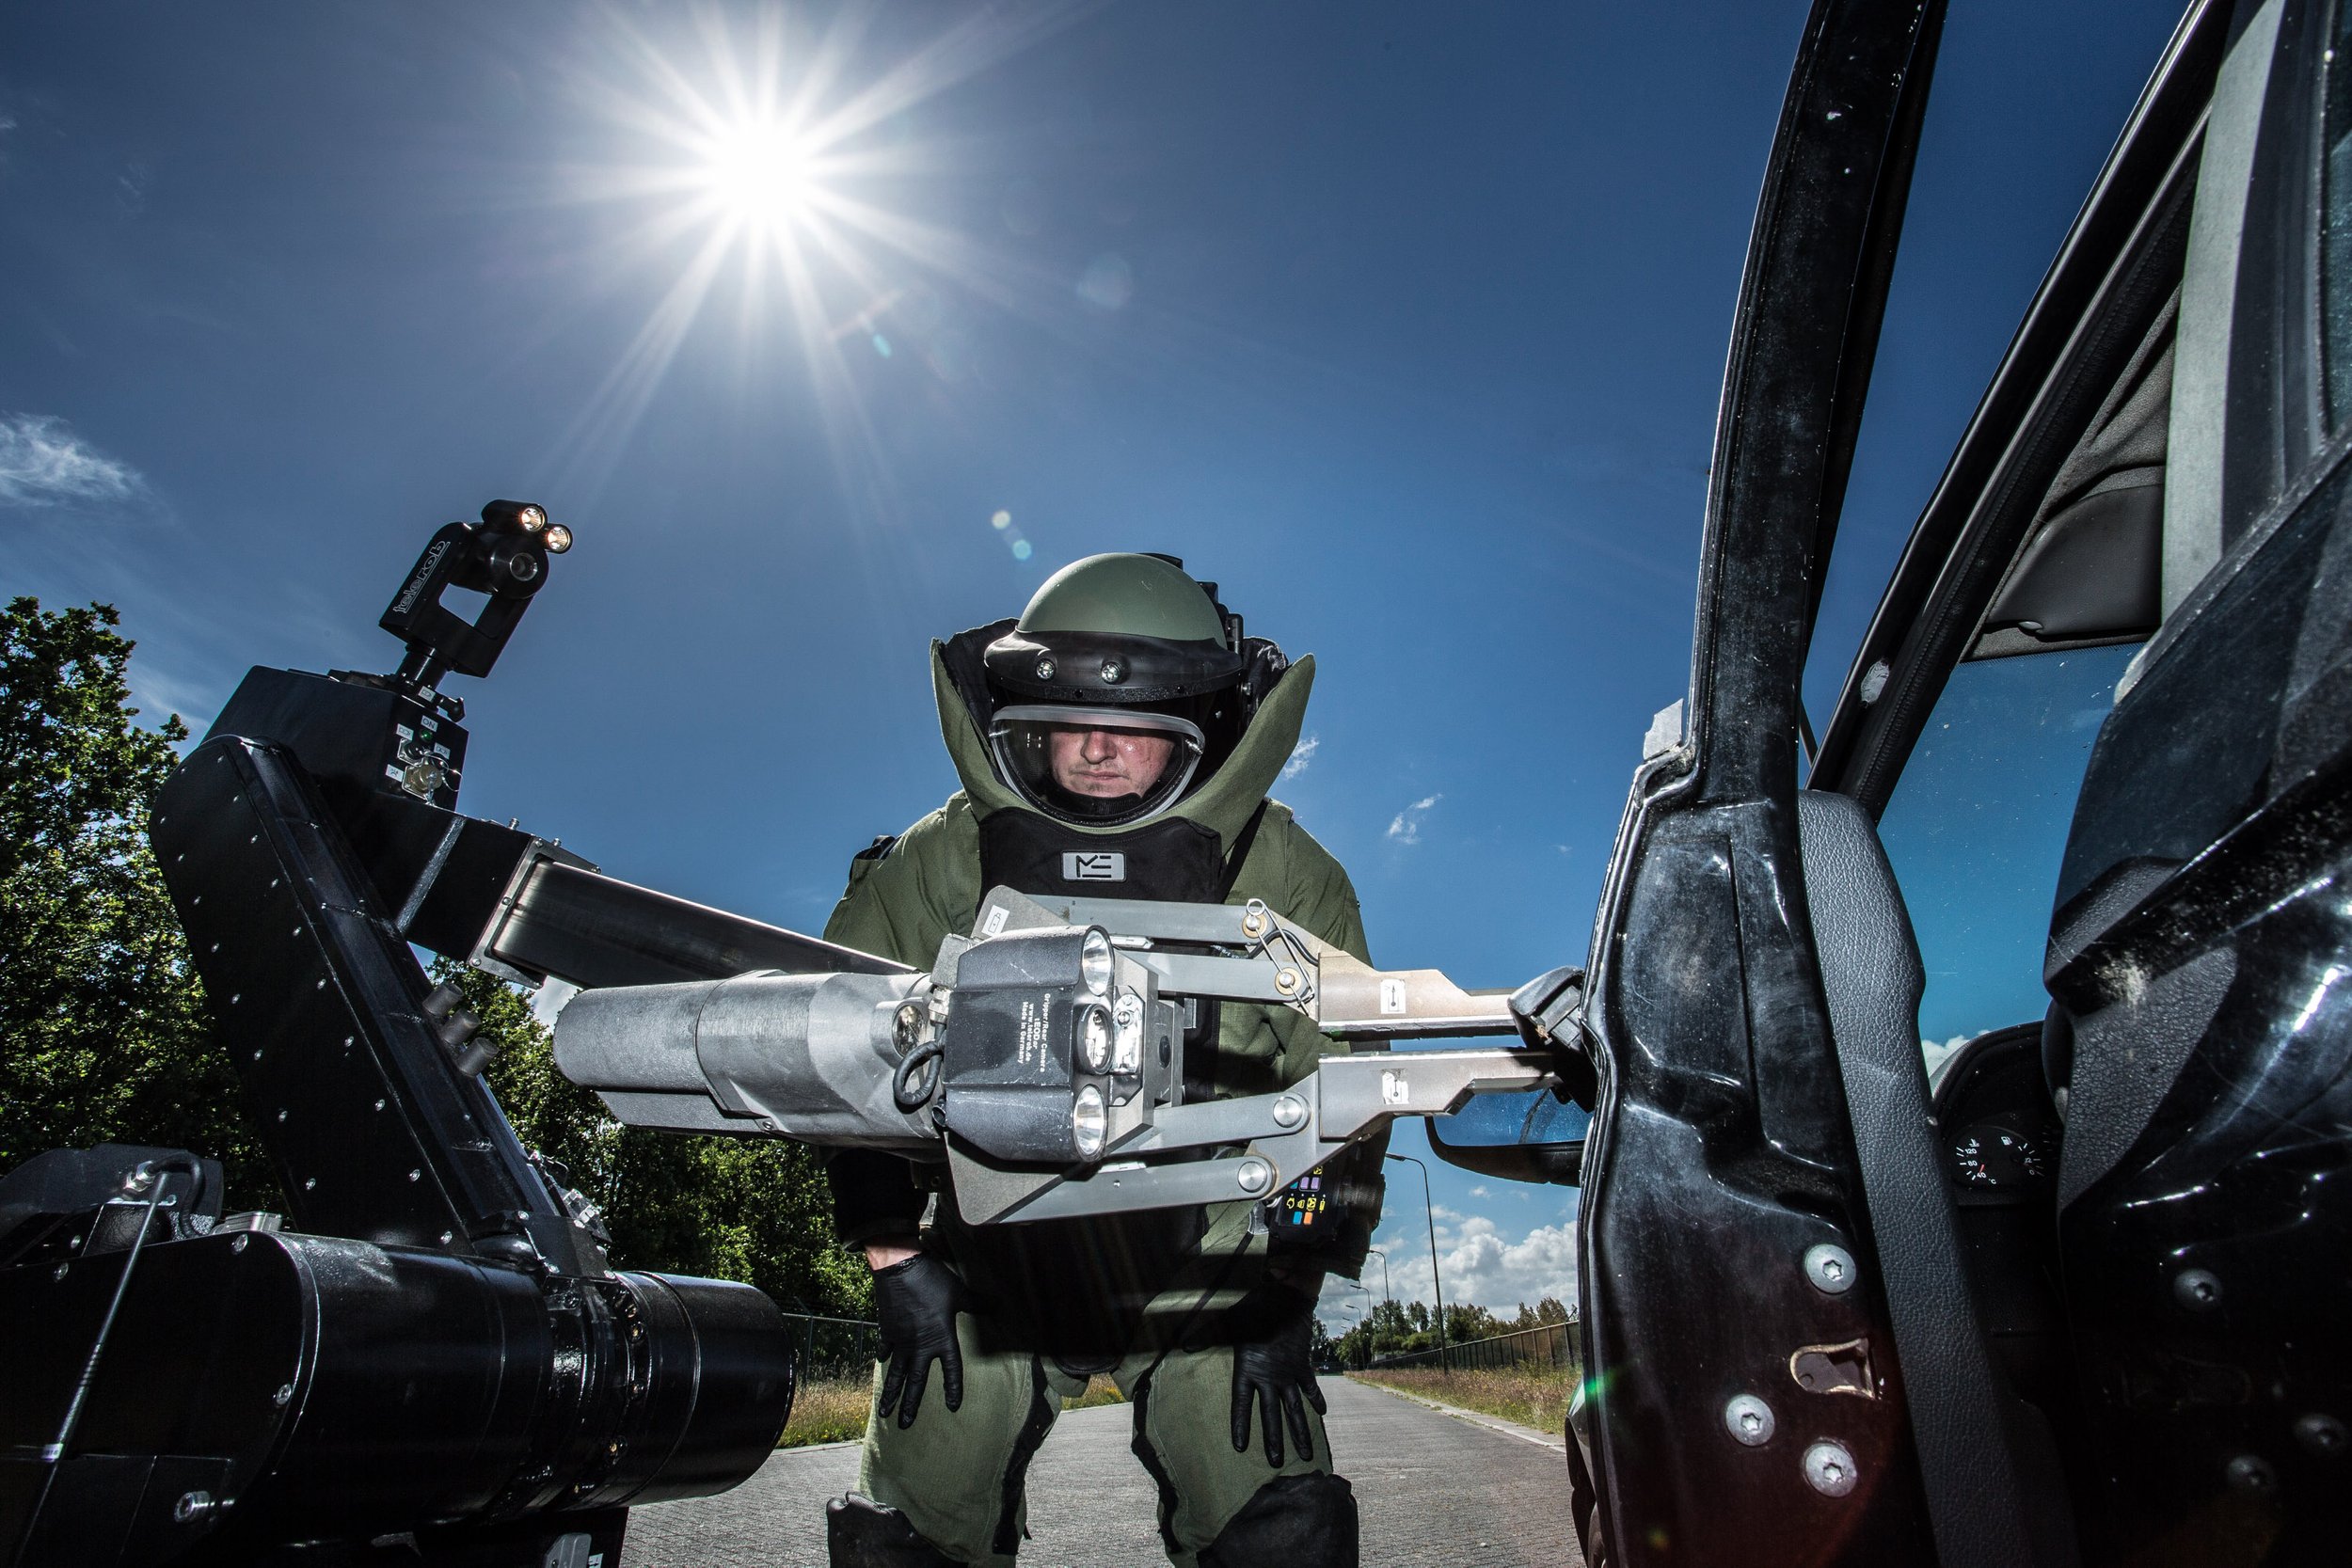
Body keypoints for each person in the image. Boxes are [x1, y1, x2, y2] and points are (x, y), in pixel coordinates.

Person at [818, 552, 1384, 1568]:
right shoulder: (939, 860)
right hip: (987, 1257)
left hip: (1216, 1260)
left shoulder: (1289, 871)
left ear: (1205, 729)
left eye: (1132, 729)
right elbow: (840, 1046)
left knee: (1278, 1529)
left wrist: (1289, 1285)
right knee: (905, 1540)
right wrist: (894, 1258)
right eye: (1063, 724)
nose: (1094, 754)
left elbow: (1345, 1096)